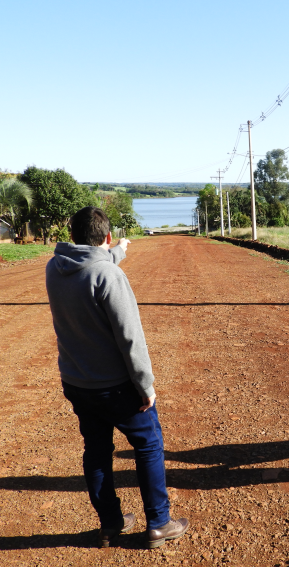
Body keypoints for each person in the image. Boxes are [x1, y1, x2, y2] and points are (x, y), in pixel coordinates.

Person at [45, 206, 189, 548]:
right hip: (116, 387)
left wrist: (118, 251)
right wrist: (145, 385)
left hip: (77, 382)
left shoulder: (55, 267)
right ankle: (158, 522)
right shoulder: (110, 277)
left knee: (96, 450)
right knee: (148, 444)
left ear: (72, 236)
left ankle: (110, 523)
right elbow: (130, 338)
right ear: (105, 237)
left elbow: (94, 265)